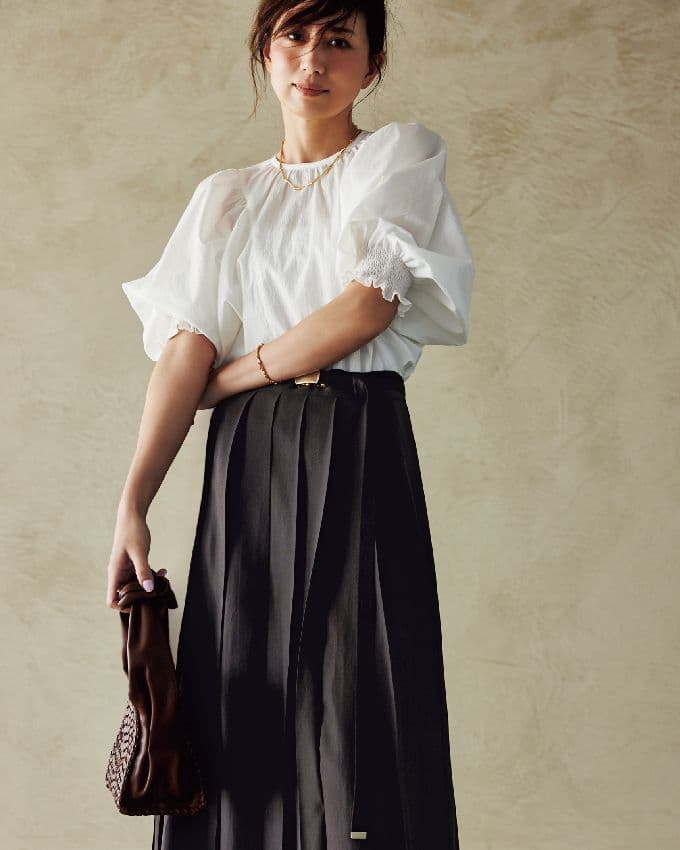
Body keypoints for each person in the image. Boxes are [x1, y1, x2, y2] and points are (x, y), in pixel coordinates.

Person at [106, 1, 475, 848]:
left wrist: (236, 376)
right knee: (241, 695)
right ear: (265, 54)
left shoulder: (398, 156)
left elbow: (367, 307)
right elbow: (184, 351)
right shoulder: (225, 197)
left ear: (371, 66)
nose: (314, 60)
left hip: (357, 437)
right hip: (249, 462)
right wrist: (133, 504)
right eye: (295, 38)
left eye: (339, 41)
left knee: (360, 692)